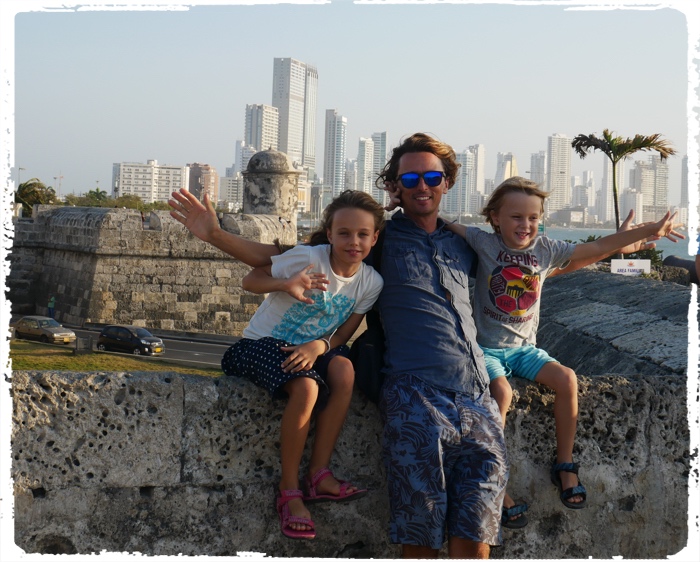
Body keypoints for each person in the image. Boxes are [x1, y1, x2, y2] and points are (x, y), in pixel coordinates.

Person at [170, 134, 504, 558]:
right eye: (412, 177)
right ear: (395, 188)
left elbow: (531, 264)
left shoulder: (462, 242)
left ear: (447, 182)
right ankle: (298, 484)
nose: (423, 185)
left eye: (433, 177)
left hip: (476, 395)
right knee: (420, 535)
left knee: (477, 534)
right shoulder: (378, 238)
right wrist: (214, 234)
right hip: (417, 393)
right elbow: (273, 258)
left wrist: (614, 247)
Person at [444, 176, 681, 525]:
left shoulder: (546, 250)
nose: (525, 225)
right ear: (495, 217)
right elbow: (440, 221)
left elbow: (597, 247)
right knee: (502, 394)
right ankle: (493, 477)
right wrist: (400, 203)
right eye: (515, 217)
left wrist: (643, 232)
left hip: (525, 348)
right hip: (487, 349)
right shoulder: (483, 242)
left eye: (533, 218)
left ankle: (565, 465)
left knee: (567, 379)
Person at [218, 190, 384, 541]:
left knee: (344, 371)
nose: (353, 241)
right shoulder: (309, 257)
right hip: (257, 345)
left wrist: (318, 345)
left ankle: (319, 473)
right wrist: (285, 283)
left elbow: (344, 334)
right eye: (344, 233)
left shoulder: (371, 282)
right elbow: (250, 280)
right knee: (307, 387)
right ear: (330, 232)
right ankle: (289, 489)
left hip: (310, 349)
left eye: (362, 234)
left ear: (375, 237)